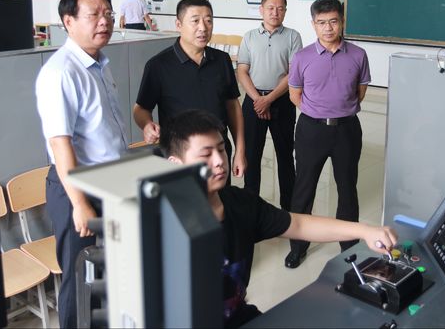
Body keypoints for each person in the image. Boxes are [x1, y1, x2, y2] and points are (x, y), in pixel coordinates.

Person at [160, 109, 396, 328]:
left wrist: (364, 230)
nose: (219, 161)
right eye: (206, 154)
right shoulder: (161, 224)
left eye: (221, 149)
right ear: (175, 165)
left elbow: (298, 224)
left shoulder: (240, 203)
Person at [35, 0, 128, 328]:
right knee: (80, 281)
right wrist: (79, 203)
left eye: (108, 13)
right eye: (94, 15)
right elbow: (60, 144)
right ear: (68, 22)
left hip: (108, 183)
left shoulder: (100, 63)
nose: (105, 21)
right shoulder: (61, 72)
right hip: (77, 187)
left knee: (108, 274)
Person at [285, 0, 371, 269]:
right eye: (321, 22)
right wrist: (317, 112)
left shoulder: (358, 55)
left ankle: (349, 247)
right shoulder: (302, 57)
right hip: (311, 130)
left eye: (333, 21)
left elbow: (360, 92)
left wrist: (338, 109)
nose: (328, 28)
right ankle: (298, 247)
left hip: (347, 130)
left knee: (347, 188)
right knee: (304, 188)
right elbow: (295, 95)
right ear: (313, 24)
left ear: (342, 22)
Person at [133, 0, 246, 179]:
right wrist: (146, 125)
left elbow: (233, 106)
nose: (203, 28)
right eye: (195, 21)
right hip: (179, 156)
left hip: (217, 154)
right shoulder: (158, 65)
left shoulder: (222, 60)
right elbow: (140, 109)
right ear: (178, 24)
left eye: (208, 21)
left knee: (218, 197)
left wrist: (240, 151)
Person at [236, 0, 302, 209]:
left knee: (285, 155)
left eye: (280, 8)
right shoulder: (249, 36)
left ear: (285, 11)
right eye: (271, 8)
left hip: (282, 101)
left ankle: (288, 209)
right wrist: (258, 99)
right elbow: (242, 70)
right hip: (253, 102)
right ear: (261, 10)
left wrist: (269, 99)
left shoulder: (293, 36)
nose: (275, 12)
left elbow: (293, 73)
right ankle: (251, 207)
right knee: (251, 156)